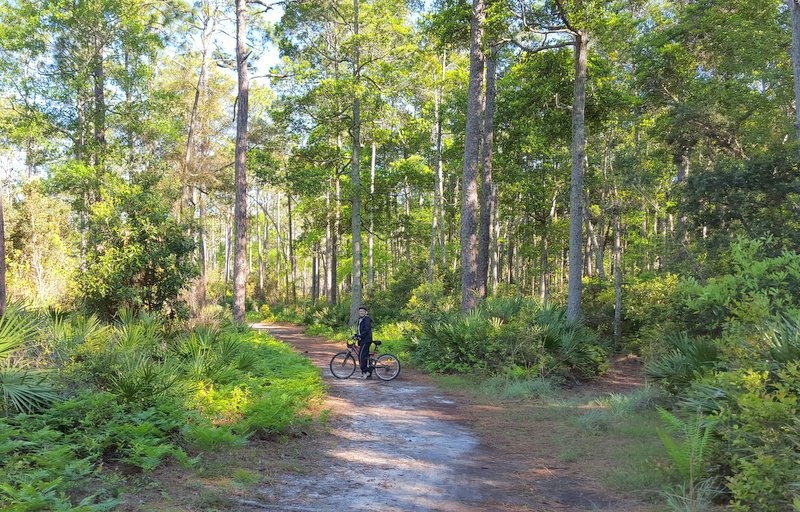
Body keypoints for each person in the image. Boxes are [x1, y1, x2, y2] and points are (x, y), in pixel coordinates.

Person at [355, 305, 373, 379]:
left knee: (361, 356)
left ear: (366, 312)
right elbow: (360, 330)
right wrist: (356, 335)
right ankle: (367, 372)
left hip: (366, 340)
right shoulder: (360, 320)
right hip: (362, 340)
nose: (361, 312)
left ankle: (366, 371)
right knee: (364, 357)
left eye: (363, 311)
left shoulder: (366, 320)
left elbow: (366, 330)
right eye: (360, 311)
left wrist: (360, 336)